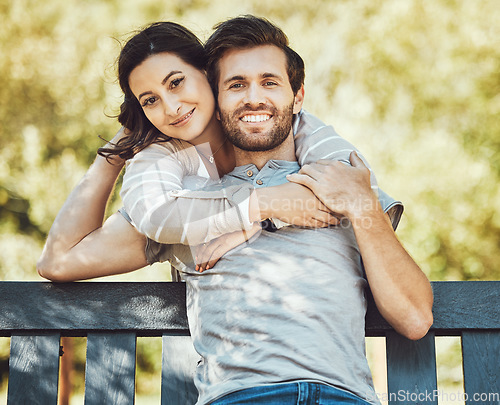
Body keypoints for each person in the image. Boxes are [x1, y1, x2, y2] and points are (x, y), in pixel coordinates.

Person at [39, 16, 433, 404]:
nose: (253, 98)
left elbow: (414, 319)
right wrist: (121, 144)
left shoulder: (337, 183)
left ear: (297, 96)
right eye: (236, 84)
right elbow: (61, 259)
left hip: (343, 398)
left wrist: (360, 205)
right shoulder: (185, 205)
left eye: (270, 82)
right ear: (217, 93)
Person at [37, 21, 395, 279]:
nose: (172, 107)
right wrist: (116, 151)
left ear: (209, 74)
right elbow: (58, 262)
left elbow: (357, 193)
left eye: (176, 82)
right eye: (150, 100)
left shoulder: (286, 125)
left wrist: (247, 225)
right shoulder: (163, 168)